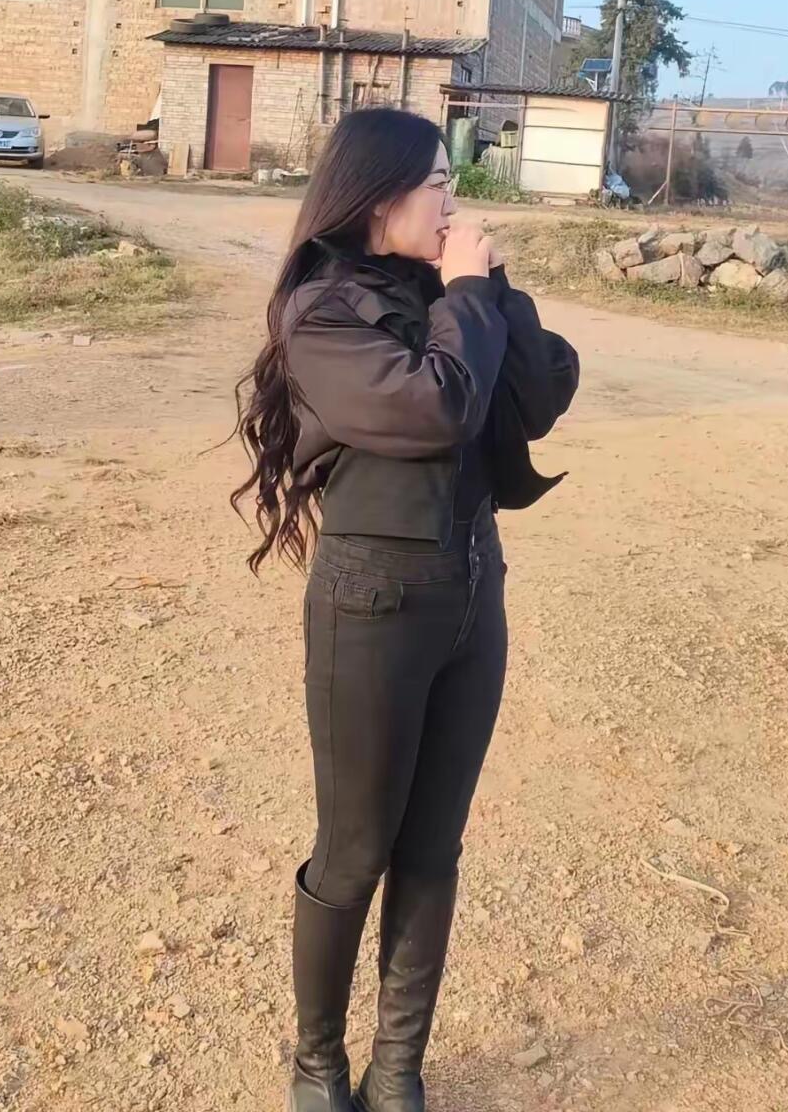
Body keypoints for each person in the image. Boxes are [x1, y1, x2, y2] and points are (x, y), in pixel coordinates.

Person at [234, 107, 579, 1112]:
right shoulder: (322, 312)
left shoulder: (448, 290)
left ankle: (398, 1070)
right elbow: (433, 409)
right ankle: (317, 1065)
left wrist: (491, 285)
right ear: (380, 197)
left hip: (473, 592)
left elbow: (542, 393)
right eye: (438, 184)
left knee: (433, 848)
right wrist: (465, 294)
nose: (453, 202)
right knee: (355, 851)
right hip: (373, 600)